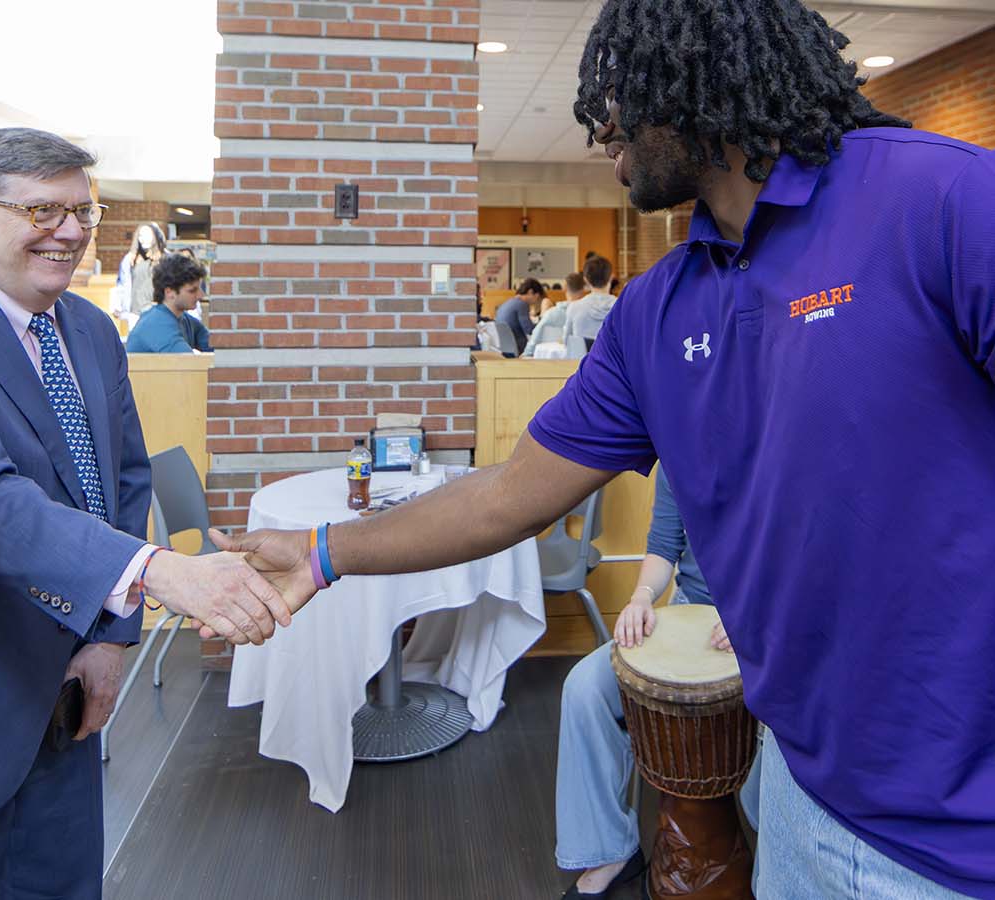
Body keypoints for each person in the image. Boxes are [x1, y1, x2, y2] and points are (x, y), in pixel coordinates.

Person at [217, 1, 995, 896]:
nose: (599, 130)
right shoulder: (656, 308)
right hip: (807, 792)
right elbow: (508, 494)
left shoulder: (944, 200)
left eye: (615, 96)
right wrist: (324, 554)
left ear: (690, 73)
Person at [0, 127, 290, 900]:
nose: (73, 232)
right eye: (43, 211)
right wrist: (157, 571)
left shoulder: (86, 328)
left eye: (83, 211)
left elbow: (120, 482)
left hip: (69, 694)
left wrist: (111, 636)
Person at [555, 467, 759, 899]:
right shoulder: (676, 456)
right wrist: (642, 597)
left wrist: (756, 616)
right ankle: (608, 851)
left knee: (777, 753)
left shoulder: (783, 450)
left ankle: (777, 860)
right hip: (689, 613)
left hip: (767, 621)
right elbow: (664, 548)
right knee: (585, 688)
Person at [126, 252, 211, 353]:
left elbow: (217, 346)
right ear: (169, 292)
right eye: (192, 290)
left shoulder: (184, 319)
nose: (201, 295)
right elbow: (187, 360)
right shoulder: (156, 325)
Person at [563, 255, 618, 344]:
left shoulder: (574, 308)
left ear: (586, 280)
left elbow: (567, 342)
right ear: (611, 277)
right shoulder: (623, 308)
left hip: (581, 353)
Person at [522, 275, 579, 357]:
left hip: (546, 356)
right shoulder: (585, 312)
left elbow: (537, 333)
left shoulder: (551, 312)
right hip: (578, 356)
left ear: (565, 288)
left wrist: (526, 353)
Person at [119, 221, 166, 317]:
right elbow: (122, 283)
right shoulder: (130, 259)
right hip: (135, 312)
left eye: (147, 235)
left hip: (158, 310)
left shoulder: (164, 258)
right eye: (140, 236)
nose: (142, 239)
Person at [493, 277, 545, 355]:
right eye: (537, 297)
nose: (536, 302)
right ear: (530, 292)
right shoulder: (522, 304)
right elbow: (529, 329)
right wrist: (542, 321)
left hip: (505, 348)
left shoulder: (508, 303)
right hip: (518, 348)